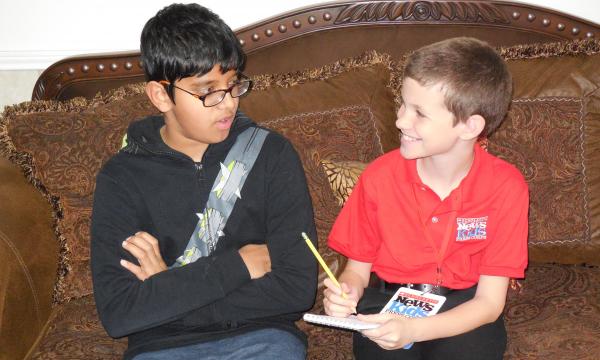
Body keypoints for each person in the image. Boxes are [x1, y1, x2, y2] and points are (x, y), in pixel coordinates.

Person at [90, 3, 317, 360]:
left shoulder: (272, 155)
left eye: (232, 84)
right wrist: (240, 264)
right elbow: (120, 314)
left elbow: (297, 289)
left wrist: (167, 288)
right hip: (161, 348)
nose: (227, 104)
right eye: (208, 90)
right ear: (161, 95)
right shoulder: (121, 179)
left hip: (263, 339)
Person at [322, 37, 528, 360]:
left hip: (466, 309)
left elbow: (489, 304)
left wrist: (414, 329)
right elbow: (356, 272)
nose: (401, 120)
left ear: (469, 126)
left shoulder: (506, 186)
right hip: (387, 302)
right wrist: (345, 292)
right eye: (403, 104)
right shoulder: (378, 177)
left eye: (419, 113)